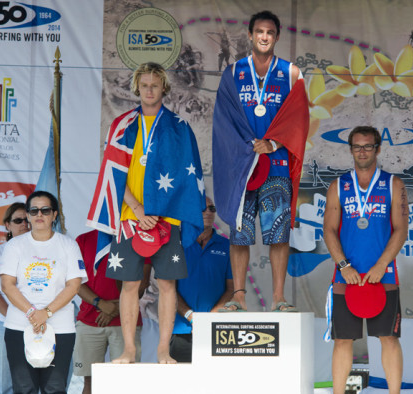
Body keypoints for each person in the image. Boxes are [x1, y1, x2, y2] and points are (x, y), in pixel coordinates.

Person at [86, 62, 205, 364]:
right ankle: (129, 349)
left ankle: (163, 350)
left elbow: (185, 180)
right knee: (130, 283)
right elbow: (113, 174)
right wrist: (139, 210)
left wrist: (159, 212)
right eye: (145, 84)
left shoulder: (180, 127)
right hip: (130, 218)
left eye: (155, 84)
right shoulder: (121, 126)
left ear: (164, 88)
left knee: (166, 283)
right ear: (136, 87)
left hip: (168, 219)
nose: (149, 90)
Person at [212, 10, 309, 312]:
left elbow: (299, 117)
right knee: (239, 234)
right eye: (259, 31)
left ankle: (278, 297)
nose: (264, 36)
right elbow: (223, 118)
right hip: (244, 165)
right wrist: (246, 147)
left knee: (278, 233)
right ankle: (239, 296)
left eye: (270, 32)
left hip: (276, 164)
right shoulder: (233, 72)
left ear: (277, 36)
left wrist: (274, 143)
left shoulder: (291, 72)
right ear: (250, 35)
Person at [322, 126, 409, 394]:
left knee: (389, 338)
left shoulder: (394, 184)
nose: (362, 151)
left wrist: (382, 264)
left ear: (378, 149)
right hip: (345, 276)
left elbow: (401, 230)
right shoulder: (338, 186)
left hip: (383, 275)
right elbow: (329, 230)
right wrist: (343, 266)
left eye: (368, 146)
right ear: (350, 150)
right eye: (357, 146)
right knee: (342, 340)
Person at [0, 191, 87, 393]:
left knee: (55, 388)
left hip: (60, 327)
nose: (40, 214)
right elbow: (7, 285)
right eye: (34, 210)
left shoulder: (68, 245)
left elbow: (74, 285)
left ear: (54, 215)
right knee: (23, 388)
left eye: (45, 210)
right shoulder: (14, 245)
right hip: (19, 326)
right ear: (28, 215)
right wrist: (32, 313)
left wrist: (45, 313)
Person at [72, 229, 150, 393]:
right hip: (89, 321)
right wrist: (100, 304)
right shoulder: (83, 239)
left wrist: (114, 309)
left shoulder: (139, 238)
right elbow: (75, 282)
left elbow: (142, 283)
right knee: (89, 381)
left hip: (126, 322)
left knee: (124, 384)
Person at [170, 197, 233, 362]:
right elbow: (168, 289)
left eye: (212, 209)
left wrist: (209, 319)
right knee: (180, 385)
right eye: (203, 208)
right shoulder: (176, 244)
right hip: (181, 329)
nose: (208, 212)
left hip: (217, 329)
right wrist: (191, 316)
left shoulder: (227, 246)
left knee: (216, 384)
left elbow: (231, 288)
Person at [0, 202, 29, 394]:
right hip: (5, 324)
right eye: (18, 220)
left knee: (32, 384)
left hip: (37, 324)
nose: (24, 224)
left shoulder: (44, 251)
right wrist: (12, 316)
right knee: (5, 386)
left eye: (27, 220)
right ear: (7, 225)